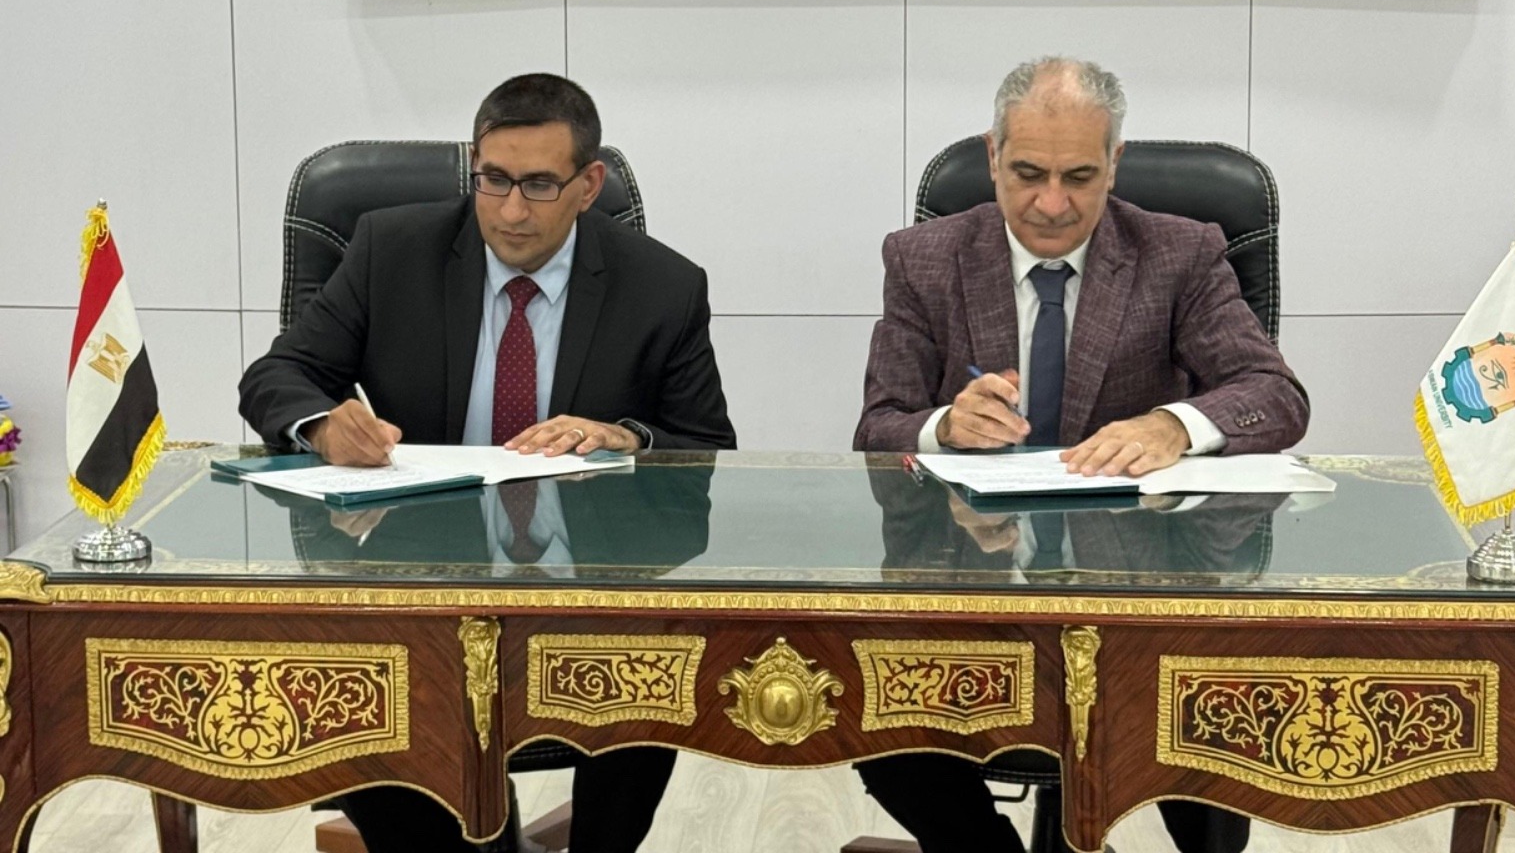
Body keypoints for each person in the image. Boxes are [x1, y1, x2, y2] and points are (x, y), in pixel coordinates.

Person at [240, 71, 735, 853]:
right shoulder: (390, 250)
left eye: (539, 185)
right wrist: (323, 425)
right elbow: (277, 376)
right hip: (414, 577)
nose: (510, 210)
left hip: (583, 589)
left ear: (588, 185)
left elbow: (705, 448)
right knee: (347, 679)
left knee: (653, 652)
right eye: (493, 180)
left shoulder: (662, 285)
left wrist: (629, 438)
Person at [853, 56, 1309, 853]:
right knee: (874, 714)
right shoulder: (924, 258)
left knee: (1212, 726)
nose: (1052, 204)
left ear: (1114, 164)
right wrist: (945, 426)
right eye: (1028, 174)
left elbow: (1274, 394)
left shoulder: (1179, 253)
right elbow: (879, 426)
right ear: (992, 155)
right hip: (973, 594)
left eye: (1079, 177)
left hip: (1142, 596)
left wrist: (1174, 424)